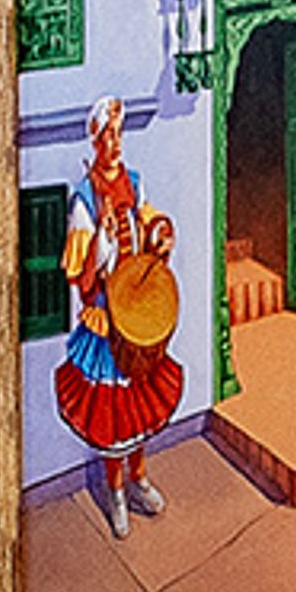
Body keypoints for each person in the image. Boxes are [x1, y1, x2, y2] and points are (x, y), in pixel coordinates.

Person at [56, 95, 181, 539]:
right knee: (114, 416)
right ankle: (116, 493)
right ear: (94, 140)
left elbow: (149, 223)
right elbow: (80, 274)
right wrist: (103, 241)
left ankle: (139, 478)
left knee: (139, 406)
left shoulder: (134, 181)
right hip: (107, 320)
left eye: (118, 133)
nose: (114, 143)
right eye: (106, 135)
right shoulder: (84, 200)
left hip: (136, 314)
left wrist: (160, 233)